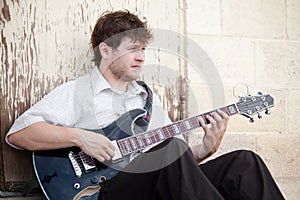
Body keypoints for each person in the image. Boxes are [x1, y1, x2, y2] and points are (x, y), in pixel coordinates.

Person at [6, 10, 284, 200]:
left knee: (245, 163)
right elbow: (19, 134)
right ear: (105, 50)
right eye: (132, 49)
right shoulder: (78, 92)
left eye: (143, 50)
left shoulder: (144, 99)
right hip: (98, 192)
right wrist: (79, 136)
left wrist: (204, 149)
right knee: (171, 148)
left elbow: (174, 168)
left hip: (144, 186)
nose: (141, 57)